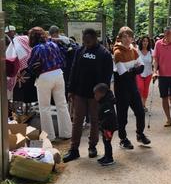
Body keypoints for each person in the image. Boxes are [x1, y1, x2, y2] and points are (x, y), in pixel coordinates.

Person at [63, 28, 113, 163]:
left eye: (89, 41)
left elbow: (107, 77)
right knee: (77, 121)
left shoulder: (104, 54)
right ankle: (74, 149)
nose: (86, 43)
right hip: (79, 93)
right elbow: (74, 70)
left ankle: (92, 147)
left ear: (95, 39)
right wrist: (70, 89)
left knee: (95, 120)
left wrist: (103, 94)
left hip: (95, 96)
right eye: (84, 41)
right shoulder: (80, 51)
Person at [26, 27, 72, 141]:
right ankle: (67, 133)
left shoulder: (36, 49)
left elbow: (30, 65)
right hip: (58, 74)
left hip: (44, 77)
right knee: (62, 105)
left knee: (44, 108)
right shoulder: (53, 45)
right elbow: (62, 59)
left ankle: (49, 136)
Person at [113, 26, 151, 149]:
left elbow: (142, 67)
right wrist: (134, 69)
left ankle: (140, 134)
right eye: (125, 36)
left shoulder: (134, 50)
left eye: (129, 36)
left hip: (132, 87)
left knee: (140, 112)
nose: (128, 38)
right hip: (121, 89)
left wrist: (132, 70)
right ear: (120, 38)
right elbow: (123, 75)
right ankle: (123, 138)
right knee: (122, 116)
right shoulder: (117, 53)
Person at [93, 83, 118, 167]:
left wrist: (103, 126)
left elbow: (108, 117)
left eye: (96, 94)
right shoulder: (103, 101)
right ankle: (106, 156)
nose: (94, 96)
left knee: (107, 142)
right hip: (105, 127)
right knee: (105, 141)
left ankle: (109, 158)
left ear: (101, 94)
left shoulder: (106, 104)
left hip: (108, 127)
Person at [136, 35, 153, 109]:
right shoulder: (137, 51)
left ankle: (143, 105)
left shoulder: (151, 52)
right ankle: (139, 105)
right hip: (139, 73)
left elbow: (154, 62)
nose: (145, 43)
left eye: (147, 41)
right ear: (141, 42)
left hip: (148, 73)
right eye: (144, 41)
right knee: (140, 88)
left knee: (146, 90)